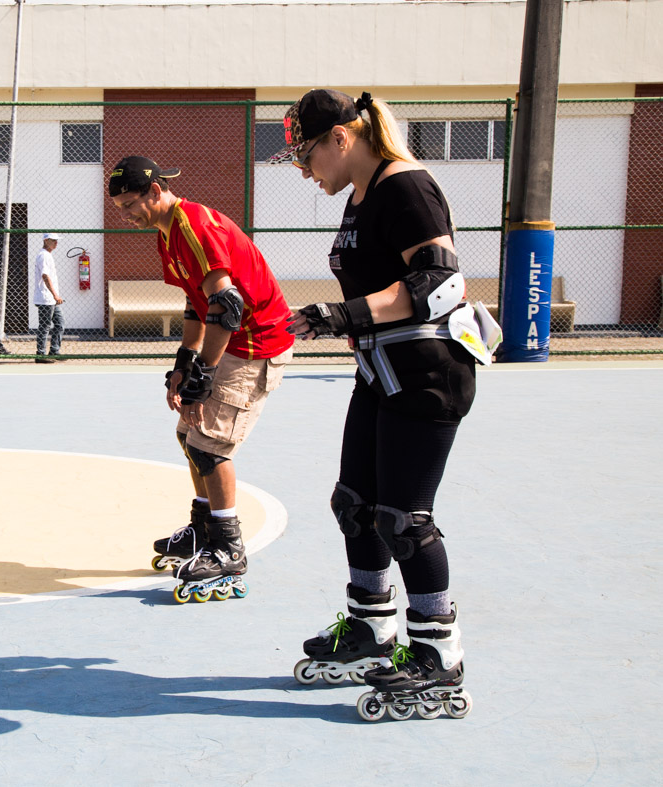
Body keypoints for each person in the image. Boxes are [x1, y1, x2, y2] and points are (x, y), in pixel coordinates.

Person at [272, 89, 478, 721]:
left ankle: (438, 652)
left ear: (341, 138)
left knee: (404, 520)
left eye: (306, 156)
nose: (304, 172)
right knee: (356, 506)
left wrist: (342, 315)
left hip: (427, 374)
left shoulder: (405, 185)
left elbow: (439, 283)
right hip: (380, 370)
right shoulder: (360, 195)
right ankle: (371, 627)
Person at [108, 156, 295, 603]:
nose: (125, 215)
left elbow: (227, 305)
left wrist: (203, 376)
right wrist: (184, 362)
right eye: (119, 208)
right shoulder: (167, 233)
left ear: (155, 191)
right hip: (230, 338)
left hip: (256, 342)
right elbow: (197, 303)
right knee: (187, 434)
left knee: (209, 445)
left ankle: (228, 548)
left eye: (129, 204)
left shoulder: (194, 226)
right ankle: (204, 527)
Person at [32, 233, 65, 363]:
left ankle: (54, 351)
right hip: (46, 298)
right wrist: (55, 295)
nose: (56, 243)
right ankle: (40, 354)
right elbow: (45, 276)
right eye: (53, 240)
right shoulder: (44, 256)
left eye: (57, 241)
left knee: (60, 323)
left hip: (51, 299)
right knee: (45, 326)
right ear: (46, 241)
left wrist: (55, 296)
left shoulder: (47, 255)